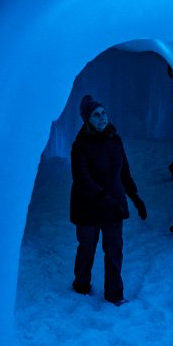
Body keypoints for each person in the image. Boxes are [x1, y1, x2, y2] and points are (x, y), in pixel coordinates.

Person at [70, 95, 147, 306]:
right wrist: (103, 197)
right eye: (96, 115)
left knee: (114, 250)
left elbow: (124, 172)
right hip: (88, 208)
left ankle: (115, 294)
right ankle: (81, 285)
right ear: (87, 119)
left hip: (113, 206)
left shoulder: (115, 140)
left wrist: (135, 196)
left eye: (103, 113)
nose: (102, 117)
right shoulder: (80, 145)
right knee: (87, 248)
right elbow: (82, 179)